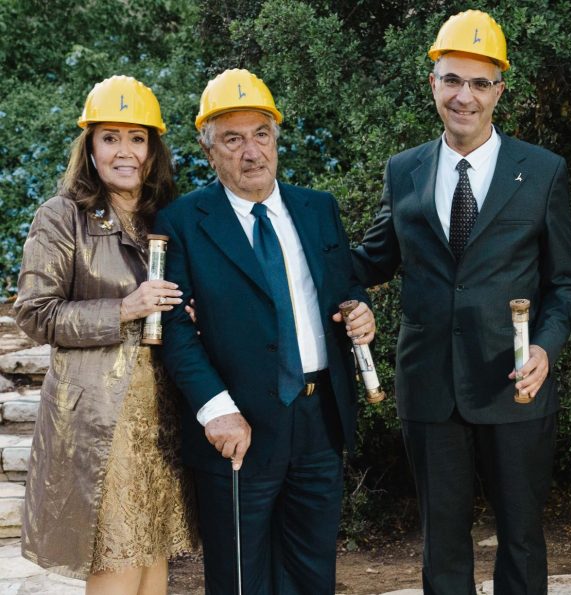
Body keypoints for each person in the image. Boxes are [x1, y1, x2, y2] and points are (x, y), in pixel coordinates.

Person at [351, 10, 571, 594]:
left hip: (515, 383)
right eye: (452, 80)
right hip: (429, 386)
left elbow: (565, 284)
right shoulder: (404, 171)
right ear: (433, 83)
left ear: (499, 91)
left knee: (523, 539)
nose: (465, 96)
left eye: (480, 83)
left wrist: (547, 351)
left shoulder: (544, 170)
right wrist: (295, 262)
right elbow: (369, 260)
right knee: (442, 543)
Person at [154, 69, 375, 594]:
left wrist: (361, 311)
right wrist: (216, 409)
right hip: (238, 427)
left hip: (320, 419)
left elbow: (347, 290)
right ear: (210, 152)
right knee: (240, 578)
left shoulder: (318, 208)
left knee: (311, 573)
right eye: (232, 139)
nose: (251, 151)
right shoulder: (183, 221)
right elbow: (172, 327)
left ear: (276, 138)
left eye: (261, 134)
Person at [13, 75, 195, 594]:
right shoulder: (61, 216)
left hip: (161, 415)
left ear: (152, 149)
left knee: (153, 548)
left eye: (137, 138)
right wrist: (123, 308)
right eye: (110, 137)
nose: (125, 151)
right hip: (99, 417)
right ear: (89, 147)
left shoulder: (166, 218)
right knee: (117, 554)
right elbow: (35, 312)